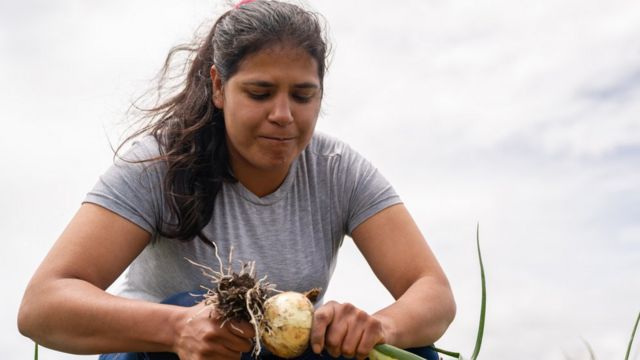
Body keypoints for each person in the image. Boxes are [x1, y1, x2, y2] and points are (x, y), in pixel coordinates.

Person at [17, 1, 456, 359]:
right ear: (218, 87)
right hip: (160, 353)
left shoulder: (338, 169)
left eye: (303, 96)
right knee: (193, 304)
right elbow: (42, 306)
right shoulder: (158, 164)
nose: (283, 116)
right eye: (260, 93)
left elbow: (431, 291)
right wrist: (177, 329)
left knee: (411, 348)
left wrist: (379, 326)